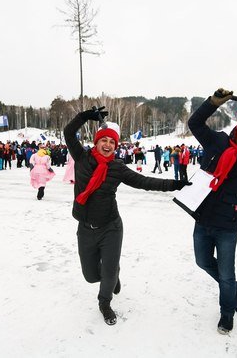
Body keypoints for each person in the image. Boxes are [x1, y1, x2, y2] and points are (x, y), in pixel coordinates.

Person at [63, 106, 191, 326]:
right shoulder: (82, 157)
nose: (107, 145)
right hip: (85, 228)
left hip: (111, 227)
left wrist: (175, 184)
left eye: (112, 142)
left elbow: (145, 182)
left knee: (109, 273)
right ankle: (111, 275)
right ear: (97, 142)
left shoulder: (117, 167)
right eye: (104, 140)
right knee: (91, 276)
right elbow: (68, 132)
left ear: (115, 146)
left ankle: (105, 301)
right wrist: (85, 117)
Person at [188, 88, 237, 334]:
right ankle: (233, 288)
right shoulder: (217, 142)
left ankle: (227, 313)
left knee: (227, 274)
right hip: (203, 219)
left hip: (228, 226)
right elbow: (195, 123)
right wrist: (212, 103)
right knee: (202, 262)